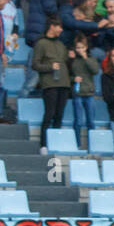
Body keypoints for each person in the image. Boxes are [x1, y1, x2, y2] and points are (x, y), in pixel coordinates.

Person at [32, 17, 70, 151]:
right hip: (50, 84)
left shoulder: (61, 44)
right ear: (52, 27)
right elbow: (35, 65)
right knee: (49, 114)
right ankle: (44, 144)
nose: (61, 30)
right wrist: (49, 67)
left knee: (59, 115)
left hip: (64, 83)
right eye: (59, 27)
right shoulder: (41, 43)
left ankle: (56, 143)